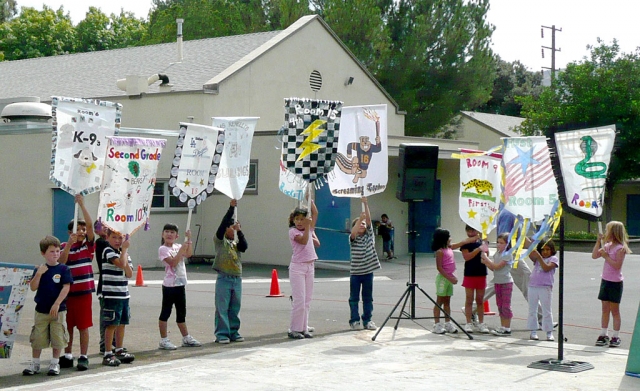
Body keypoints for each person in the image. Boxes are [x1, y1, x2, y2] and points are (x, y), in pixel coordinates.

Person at [473, 208, 546, 329]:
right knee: (525, 280)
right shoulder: (509, 214)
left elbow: (520, 237)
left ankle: (471, 308)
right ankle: (542, 317)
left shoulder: (517, 214)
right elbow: (505, 238)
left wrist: (535, 252)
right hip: (510, 255)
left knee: (498, 283)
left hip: (511, 254)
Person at [23, 236, 73, 376]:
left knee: (58, 337)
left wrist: (57, 303)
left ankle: (54, 363)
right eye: (52, 251)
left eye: (57, 251)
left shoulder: (64, 269)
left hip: (58, 310)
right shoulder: (40, 269)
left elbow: (66, 287)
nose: (56, 254)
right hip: (41, 310)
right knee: (38, 337)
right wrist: (38, 274)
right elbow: (33, 287)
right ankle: (35, 363)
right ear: (43, 253)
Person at [58, 195, 95, 371]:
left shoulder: (87, 246)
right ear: (69, 232)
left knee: (83, 326)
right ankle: (67, 354)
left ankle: (83, 356)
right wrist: (67, 246)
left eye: (82, 229)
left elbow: (90, 226)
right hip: (68, 293)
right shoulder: (65, 245)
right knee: (68, 326)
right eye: (76, 229)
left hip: (84, 293)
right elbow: (62, 262)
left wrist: (82, 205)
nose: (81, 232)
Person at [157, 223, 201, 349]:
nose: (169, 234)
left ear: (177, 236)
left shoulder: (177, 246)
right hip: (169, 286)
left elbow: (189, 254)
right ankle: (164, 340)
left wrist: (189, 240)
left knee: (181, 312)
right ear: (163, 234)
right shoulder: (163, 249)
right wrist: (182, 250)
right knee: (166, 312)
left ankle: (186, 337)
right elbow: (173, 263)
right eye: (167, 231)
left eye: (172, 232)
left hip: (180, 284)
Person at [213, 199, 248, 344]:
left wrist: (239, 232)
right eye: (231, 227)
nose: (233, 230)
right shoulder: (220, 241)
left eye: (235, 228)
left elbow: (244, 246)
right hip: (224, 278)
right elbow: (222, 226)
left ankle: (234, 331)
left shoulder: (235, 243)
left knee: (235, 307)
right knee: (222, 307)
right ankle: (222, 333)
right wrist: (231, 208)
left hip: (236, 278)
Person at [592, 221, 631, 348]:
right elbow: (594, 256)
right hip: (605, 280)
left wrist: (606, 257)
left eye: (607, 230)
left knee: (614, 310)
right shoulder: (608, 246)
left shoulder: (620, 248)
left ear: (613, 233)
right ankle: (604, 334)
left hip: (615, 283)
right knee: (605, 308)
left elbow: (617, 266)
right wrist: (598, 242)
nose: (605, 232)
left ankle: (616, 335)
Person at [430, 228, 477, 334]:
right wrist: (449, 277)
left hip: (449, 279)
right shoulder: (440, 252)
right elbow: (440, 268)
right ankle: (436, 324)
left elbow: (464, 242)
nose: (450, 238)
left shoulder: (450, 248)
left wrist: (477, 237)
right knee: (440, 301)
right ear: (443, 239)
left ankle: (448, 322)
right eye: (448, 236)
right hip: (443, 279)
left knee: (447, 302)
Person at [100, 229, 135, 366]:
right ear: (108, 237)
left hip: (123, 294)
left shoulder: (125, 254)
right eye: (114, 237)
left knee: (122, 323)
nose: (117, 241)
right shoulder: (107, 250)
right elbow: (121, 264)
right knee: (111, 324)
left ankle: (119, 349)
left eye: (120, 238)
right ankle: (108, 353)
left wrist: (124, 252)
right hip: (111, 294)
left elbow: (129, 273)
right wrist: (124, 250)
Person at [287, 199, 320, 339]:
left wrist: (311, 200)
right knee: (299, 300)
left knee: (307, 300)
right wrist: (307, 227)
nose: (299, 222)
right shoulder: (293, 231)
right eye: (297, 219)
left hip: (310, 266)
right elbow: (304, 241)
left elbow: (316, 213)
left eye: (302, 219)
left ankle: (304, 327)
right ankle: (294, 329)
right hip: (297, 268)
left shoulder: (309, 228)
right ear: (293, 220)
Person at [348, 197, 381, 331]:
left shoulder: (369, 236)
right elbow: (353, 232)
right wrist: (359, 220)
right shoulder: (353, 239)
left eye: (363, 224)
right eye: (358, 224)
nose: (362, 225)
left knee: (368, 298)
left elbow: (368, 221)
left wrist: (365, 204)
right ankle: (354, 320)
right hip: (355, 274)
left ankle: (367, 320)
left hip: (368, 273)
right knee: (354, 298)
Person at [481, 233, 514, 336]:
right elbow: (493, 269)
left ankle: (507, 327)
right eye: (498, 242)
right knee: (499, 305)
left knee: (506, 306)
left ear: (507, 244)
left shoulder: (507, 254)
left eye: (501, 243)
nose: (499, 245)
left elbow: (497, 266)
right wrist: (486, 262)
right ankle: (502, 326)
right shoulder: (497, 253)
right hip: (498, 281)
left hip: (506, 282)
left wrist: (486, 259)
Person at [527, 238, 559, 341]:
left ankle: (549, 332)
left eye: (547, 249)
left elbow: (546, 268)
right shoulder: (536, 258)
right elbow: (530, 252)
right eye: (543, 250)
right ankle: (533, 331)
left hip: (545, 287)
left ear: (552, 250)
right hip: (533, 286)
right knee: (532, 310)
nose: (545, 252)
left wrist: (539, 257)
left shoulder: (553, 259)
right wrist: (531, 243)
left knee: (547, 310)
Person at [460, 225, 489, 334]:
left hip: (481, 273)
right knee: (469, 299)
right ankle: (468, 323)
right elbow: (467, 257)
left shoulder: (481, 241)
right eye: (468, 230)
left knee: (480, 300)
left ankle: (481, 323)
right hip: (469, 273)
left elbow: (487, 254)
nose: (471, 232)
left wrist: (484, 245)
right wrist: (478, 249)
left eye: (473, 230)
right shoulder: (465, 243)